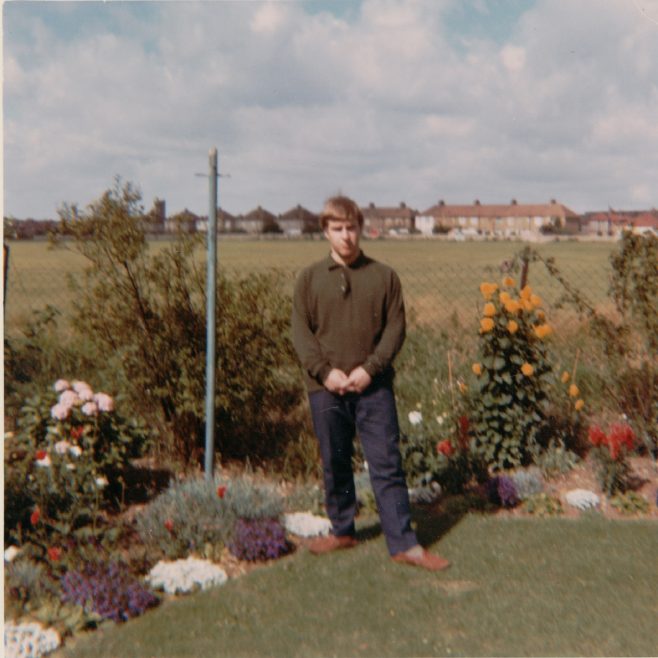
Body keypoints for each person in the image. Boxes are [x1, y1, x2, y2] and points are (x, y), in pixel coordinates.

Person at [291, 195, 450, 571]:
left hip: (373, 388)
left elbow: (395, 330)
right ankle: (342, 529)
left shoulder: (384, 277)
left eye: (351, 228)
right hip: (326, 389)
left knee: (387, 463)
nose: (346, 236)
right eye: (337, 229)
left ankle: (403, 543)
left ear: (361, 228)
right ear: (325, 232)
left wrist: (369, 370)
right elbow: (301, 333)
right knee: (335, 461)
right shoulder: (309, 279)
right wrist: (326, 372)